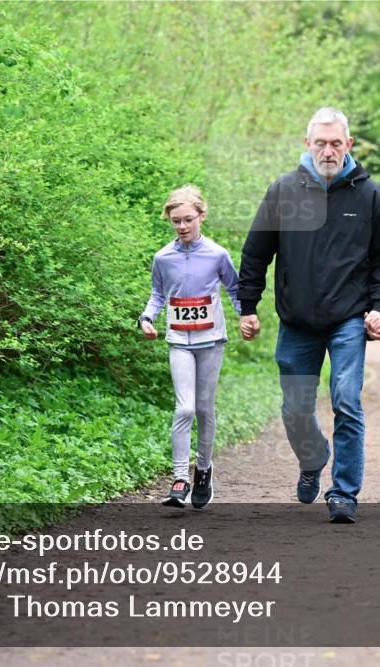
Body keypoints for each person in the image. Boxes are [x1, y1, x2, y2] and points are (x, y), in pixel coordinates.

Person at [238, 107, 380, 524]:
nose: (328, 151)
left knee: (346, 399)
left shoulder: (370, 195)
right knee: (295, 409)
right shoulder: (283, 191)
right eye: (320, 143)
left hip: (348, 318)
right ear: (306, 144)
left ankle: (343, 493)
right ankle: (313, 459)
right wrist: (248, 306)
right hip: (297, 322)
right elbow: (256, 253)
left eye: (335, 143)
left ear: (349, 145)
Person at [139, 185, 240, 509]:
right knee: (184, 408)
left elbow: (235, 289)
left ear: (202, 216)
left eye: (188, 220)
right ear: (169, 220)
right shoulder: (162, 258)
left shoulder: (217, 254)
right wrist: (146, 318)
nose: (182, 226)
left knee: (204, 409)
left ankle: (204, 470)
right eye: (176, 221)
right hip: (179, 341)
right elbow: (158, 294)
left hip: (211, 340)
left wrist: (247, 317)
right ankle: (180, 478)